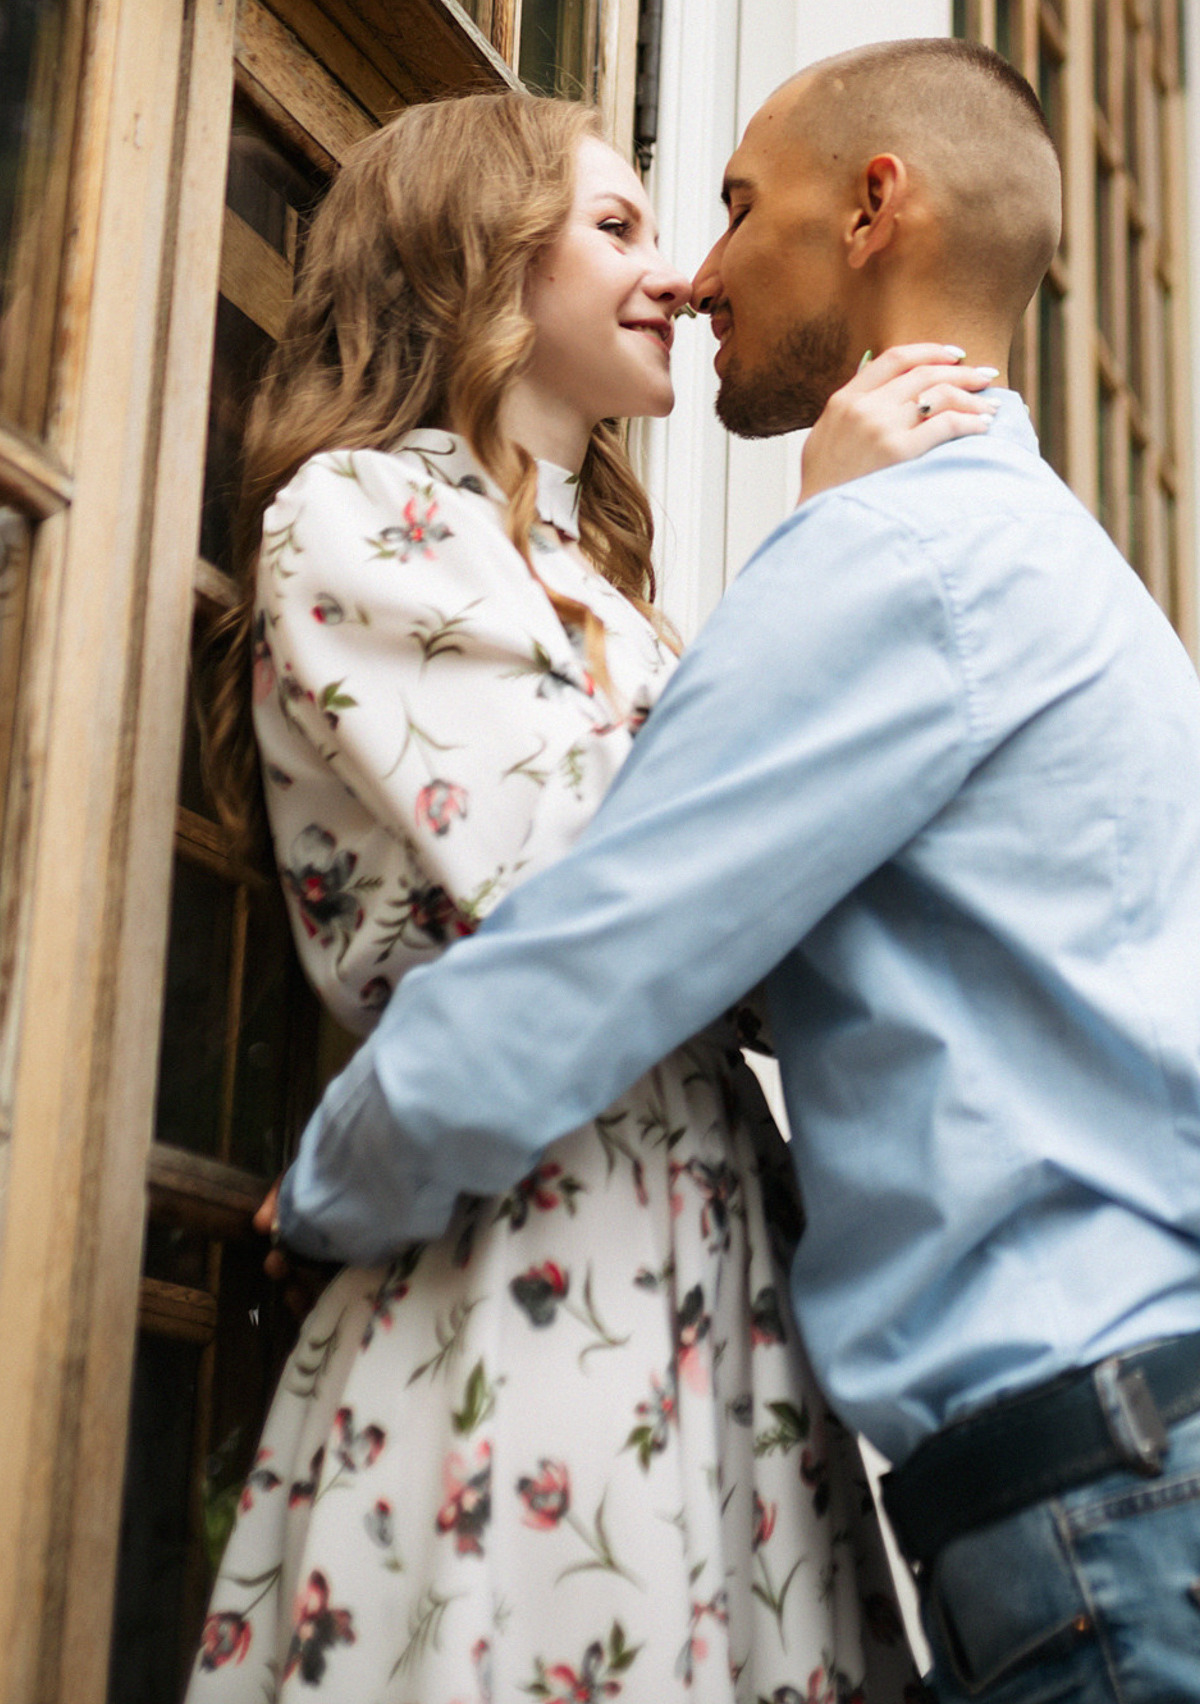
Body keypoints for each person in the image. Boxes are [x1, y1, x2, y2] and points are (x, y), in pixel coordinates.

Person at [269, 39, 1200, 1704]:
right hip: (1147, 1503)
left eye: (733, 208)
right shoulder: (1010, 548)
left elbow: (601, 949)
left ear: (875, 207)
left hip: (1131, 1520)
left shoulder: (901, 557)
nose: (702, 269)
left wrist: (324, 1188)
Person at [189, 93, 994, 1703]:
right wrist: (827, 556)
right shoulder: (362, 516)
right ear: (473, 257)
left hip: (720, 1251)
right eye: (618, 228)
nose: (683, 280)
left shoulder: (625, 599)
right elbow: (582, 881)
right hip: (523, 1231)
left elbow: (769, 941)